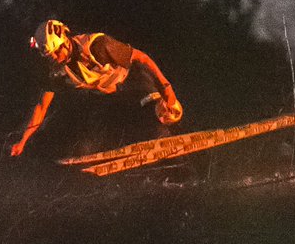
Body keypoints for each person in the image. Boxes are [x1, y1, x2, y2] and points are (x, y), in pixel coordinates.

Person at [10, 19, 182, 157]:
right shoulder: (57, 72)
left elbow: (141, 58)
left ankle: (177, 156)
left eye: (56, 51)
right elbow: (41, 107)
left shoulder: (97, 45)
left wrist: (166, 87)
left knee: (162, 116)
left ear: (65, 41)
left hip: (136, 84)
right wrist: (23, 141)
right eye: (50, 56)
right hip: (115, 99)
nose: (55, 58)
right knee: (92, 141)